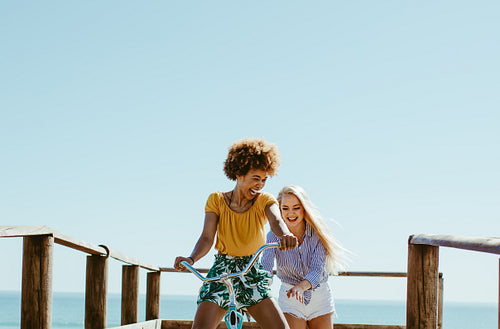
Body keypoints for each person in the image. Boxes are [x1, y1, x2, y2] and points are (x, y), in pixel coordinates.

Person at [174, 137, 298, 329]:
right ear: (239, 174)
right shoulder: (216, 200)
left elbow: (276, 220)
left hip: (252, 272)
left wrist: (285, 235)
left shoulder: (264, 200)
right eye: (255, 179)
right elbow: (207, 238)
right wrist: (191, 259)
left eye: (264, 180)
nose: (260, 185)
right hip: (222, 272)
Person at [261, 185, 345, 329]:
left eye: (296, 207)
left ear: (304, 208)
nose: (291, 213)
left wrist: (301, 287)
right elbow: (265, 268)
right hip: (290, 299)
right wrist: (259, 289)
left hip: (320, 297)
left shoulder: (318, 234)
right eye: (285, 208)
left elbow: (317, 270)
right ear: (279, 211)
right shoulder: (273, 236)